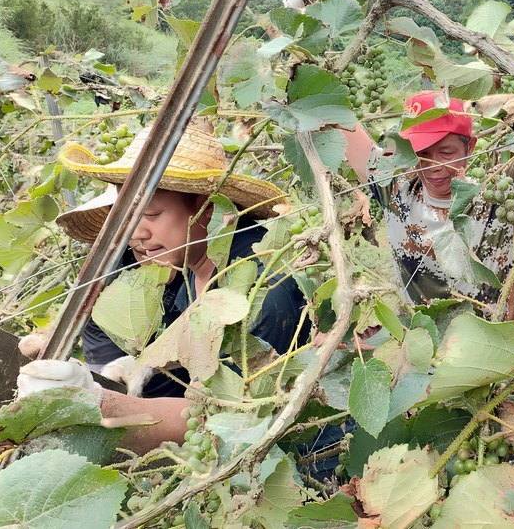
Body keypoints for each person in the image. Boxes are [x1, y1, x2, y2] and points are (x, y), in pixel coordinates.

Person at [17, 121, 310, 452]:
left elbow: (223, 420)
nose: (135, 234)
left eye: (152, 215)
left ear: (206, 209)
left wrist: (99, 404)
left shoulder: (260, 289)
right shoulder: (187, 267)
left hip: (303, 464)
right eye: (127, 218)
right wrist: (146, 364)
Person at [342, 46, 514, 306]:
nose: (432, 165)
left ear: (470, 147)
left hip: (489, 342)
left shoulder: (495, 196)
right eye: (421, 152)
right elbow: (337, 117)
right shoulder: (396, 191)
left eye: (446, 153)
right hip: (423, 342)